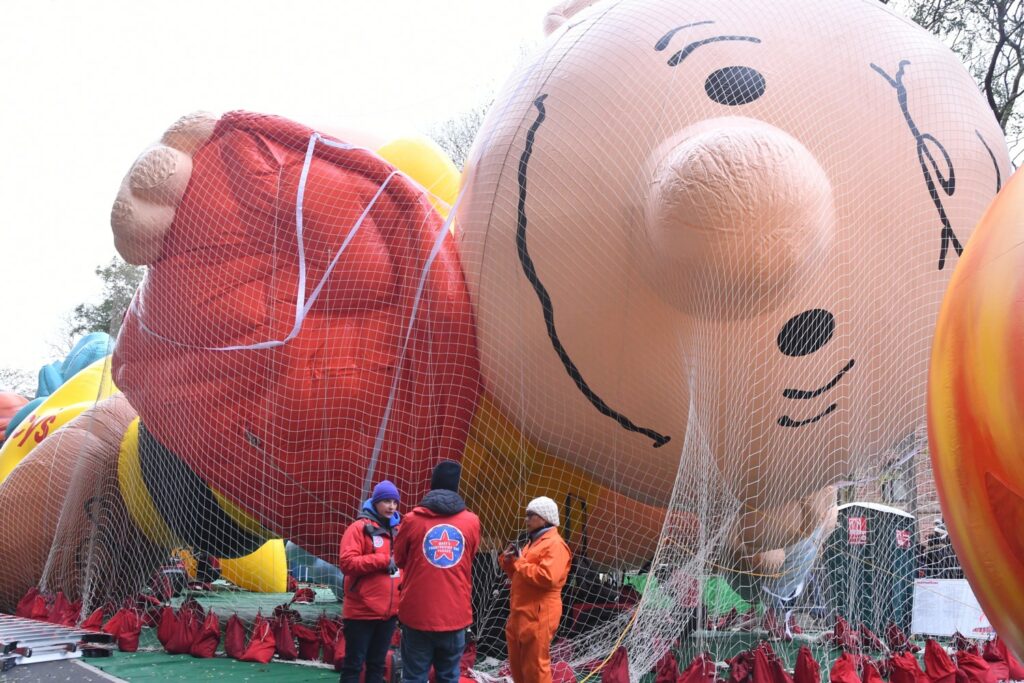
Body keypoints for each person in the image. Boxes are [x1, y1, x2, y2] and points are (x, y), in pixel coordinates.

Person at [394, 461, 481, 683]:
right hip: (455, 615)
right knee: (449, 676)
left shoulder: (412, 520)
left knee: (413, 677)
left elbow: (399, 559)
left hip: (417, 615)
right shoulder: (471, 522)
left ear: (432, 485)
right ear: (456, 487)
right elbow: (469, 557)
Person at [500, 496, 572, 683]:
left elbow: (547, 577)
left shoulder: (555, 545)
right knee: (517, 666)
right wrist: (508, 562)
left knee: (535, 669)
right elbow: (520, 575)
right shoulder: (533, 542)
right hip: (521, 612)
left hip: (539, 614)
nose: (526, 520)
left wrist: (519, 561)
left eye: (530, 515)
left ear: (544, 517)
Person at [337, 480, 403, 683]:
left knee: (377, 665)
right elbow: (347, 563)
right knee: (354, 665)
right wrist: (383, 561)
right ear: (375, 502)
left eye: (394, 502)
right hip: (361, 612)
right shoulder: (358, 528)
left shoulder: (400, 531)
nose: (391, 506)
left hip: (388, 613)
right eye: (386, 501)